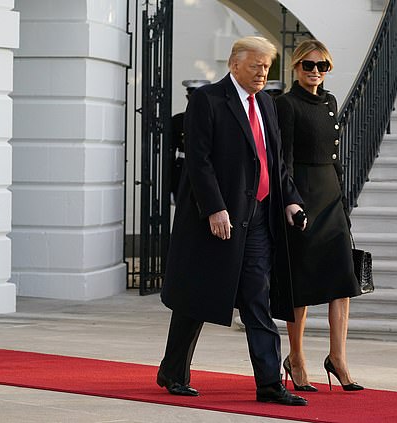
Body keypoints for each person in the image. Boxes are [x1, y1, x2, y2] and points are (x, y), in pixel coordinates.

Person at [157, 36, 308, 406]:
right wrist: (214, 207)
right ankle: (173, 371)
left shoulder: (268, 105)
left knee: (257, 298)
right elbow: (199, 160)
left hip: (257, 219)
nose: (262, 72)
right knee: (197, 298)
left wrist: (290, 200)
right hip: (218, 218)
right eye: (255, 65)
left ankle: (270, 383)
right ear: (234, 64)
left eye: (267, 66)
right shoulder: (208, 100)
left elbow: (276, 161)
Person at [275, 39, 363, 392]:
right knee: (301, 285)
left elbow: (334, 155)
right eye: (308, 66)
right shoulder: (285, 104)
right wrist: (290, 203)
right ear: (295, 67)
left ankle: (337, 357)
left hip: (330, 195)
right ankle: (295, 358)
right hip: (303, 196)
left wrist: (343, 201)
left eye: (322, 66)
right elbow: (284, 159)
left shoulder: (329, 102)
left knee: (342, 281)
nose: (315, 72)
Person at [170, 80, 209, 203]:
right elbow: (170, 152)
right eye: (192, 96)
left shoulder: (215, 118)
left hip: (208, 169)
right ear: (187, 97)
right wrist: (170, 186)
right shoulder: (178, 120)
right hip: (183, 168)